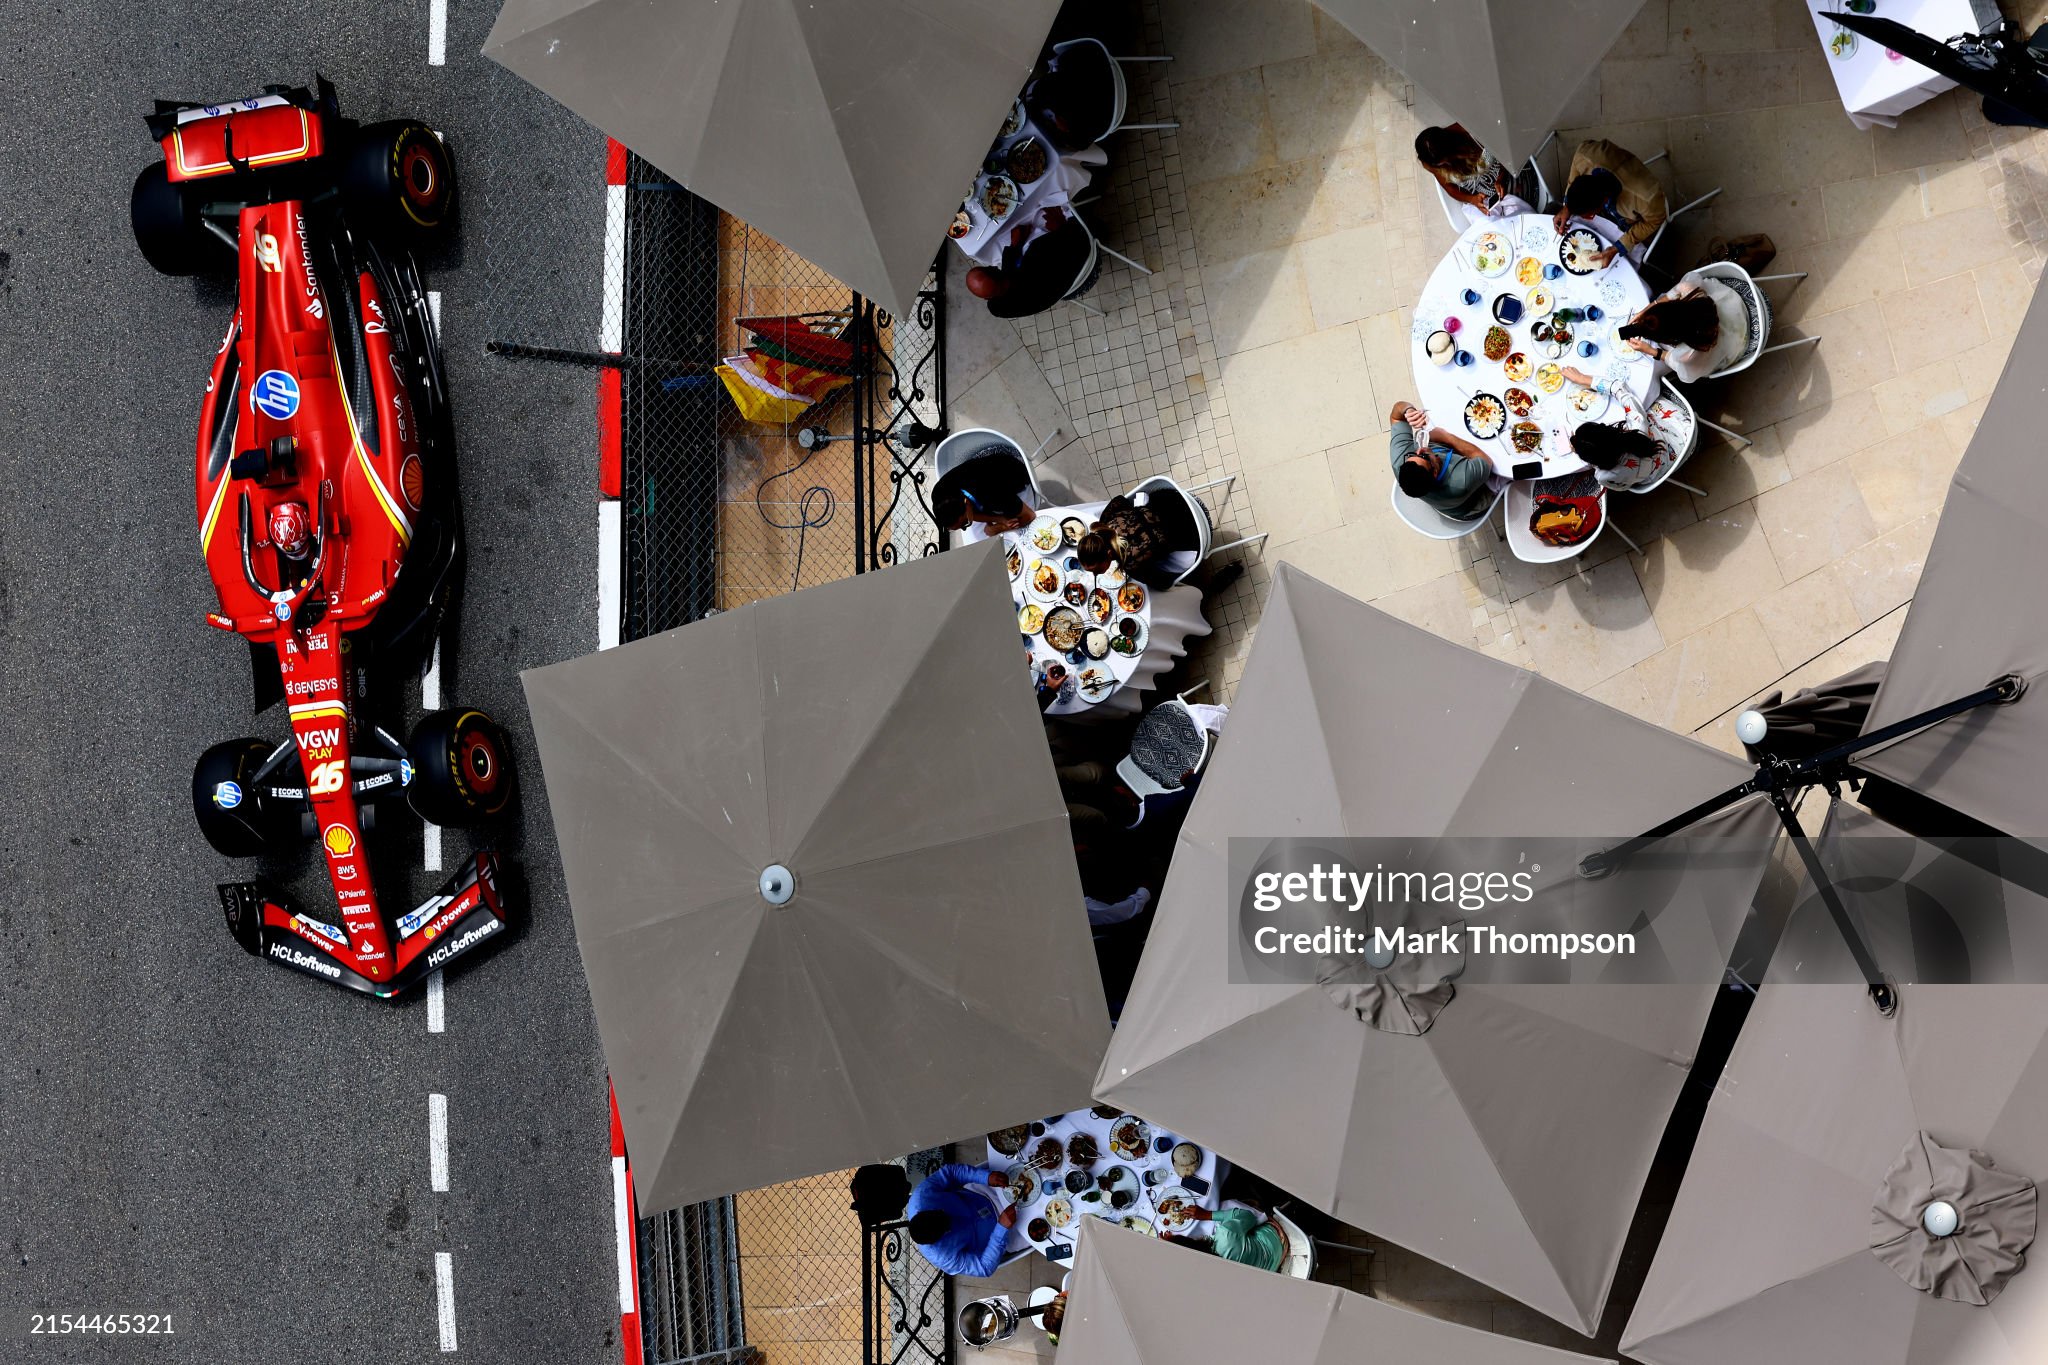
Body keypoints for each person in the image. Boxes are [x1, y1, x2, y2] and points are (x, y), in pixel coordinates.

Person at [1553, 138, 1668, 266]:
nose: (1588, 218)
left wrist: (1617, 248)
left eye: (1590, 215)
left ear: (1605, 201)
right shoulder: (1584, 155)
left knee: (1630, 260)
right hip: (1615, 170)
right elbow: (1574, 175)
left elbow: (1655, 220)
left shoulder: (1646, 199)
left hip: (1634, 220)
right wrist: (1567, 207)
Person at [964, 206, 1094, 320]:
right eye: (991, 269)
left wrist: (1015, 245)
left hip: (1061, 289)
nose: (992, 266)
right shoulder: (1037, 261)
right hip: (1084, 268)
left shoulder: (997, 307)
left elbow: (1008, 277)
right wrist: (1061, 226)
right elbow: (1077, 241)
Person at [1618, 271, 1747, 383]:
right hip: (1731, 307)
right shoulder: (1690, 291)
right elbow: (1668, 297)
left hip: (1736, 341)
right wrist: (1646, 311)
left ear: (1670, 338)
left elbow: (1686, 375)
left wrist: (1651, 351)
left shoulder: (1688, 353)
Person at [1560, 365, 1667, 491]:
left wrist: (1581, 449)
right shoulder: (1637, 427)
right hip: (1675, 442)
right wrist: (1582, 378)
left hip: (1652, 478)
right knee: (1645, 402)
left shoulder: (1602, 476)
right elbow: (1619, 388)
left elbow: (1622, 486)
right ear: (1608, 430)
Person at [905, 1163, 1017, 1278]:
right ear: (937, 1240)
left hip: (983, 1193)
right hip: (1000, 1237)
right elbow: (984, 1267)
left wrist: (985, 1177)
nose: (950, 1218)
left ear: (925, 1210)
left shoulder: (922, 1196)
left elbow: (950, 1173)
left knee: (1018, 1173)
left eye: (942, 1212)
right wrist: (1001, 1230)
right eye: (948, 1226)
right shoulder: (942, 1256)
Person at [1388, 400, 1495, 520]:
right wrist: (1446, 437)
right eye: (1424, 456)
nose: (1420, 450)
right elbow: (1485, 460)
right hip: (1472, 505)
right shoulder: (1460, 481)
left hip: (1443, 501)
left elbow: (1396, 416)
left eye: (1412, 454)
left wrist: (1408, 410)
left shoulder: (1399, 462)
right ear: (1434, 472)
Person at [1074, 489, 1201, 590]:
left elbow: (1164, 583)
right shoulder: (1105, 518)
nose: (1096, 574)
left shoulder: (1131, 564)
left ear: (1108, 554)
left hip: (1194, 531)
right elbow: (1121, 500)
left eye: (1097, 570)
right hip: (1174, 498)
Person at [1414, 124, 1531, 223]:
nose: (1449, 165)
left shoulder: (1472, 131)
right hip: (1482, 197)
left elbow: (1508, 153)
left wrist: (1500, 178)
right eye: (1442, 165)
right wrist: (1472, 199)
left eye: (1448, 159)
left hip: (1508, 173)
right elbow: (1450, 189)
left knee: (1524, 217)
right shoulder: (1430, 160)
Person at [1161, 1201, 1287, 1272]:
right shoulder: (1225, 1235)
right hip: (1275, 1245)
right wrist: (1206, 1215)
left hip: (1268, 1272)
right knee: (1227, 1204)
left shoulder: (1208, 1272)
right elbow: (1248, 1217)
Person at [934, 455, 1035, 535]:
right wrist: (999, 519)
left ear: (967, 503)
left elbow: (1029, 515)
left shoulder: (994, 496)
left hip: (1014, 472)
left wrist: (1000, 528)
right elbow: (971, 515)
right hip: (984, 466)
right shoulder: (939, 493)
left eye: (965, 523)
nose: (966, 527)